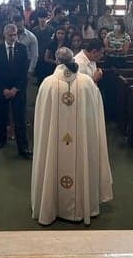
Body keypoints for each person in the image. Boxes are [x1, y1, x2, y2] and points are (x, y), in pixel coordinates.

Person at [31, 47, 113, 226]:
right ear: (72, 60)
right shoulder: (87, 83)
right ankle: (83, 206)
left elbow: (41, 122)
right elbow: (96, 116)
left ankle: (51, 206)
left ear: (56, 61)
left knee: (51, 155)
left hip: (55, 146)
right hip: (80, 144)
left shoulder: (47, 84)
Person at [0, 24, 32, 159]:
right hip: (1, 88)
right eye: (10, 35)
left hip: (18, 89)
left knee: (19, 118)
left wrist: (15, 89)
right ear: (4, 35)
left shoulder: (22, 49)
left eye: (15, 35)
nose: (13, 37)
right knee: (1, 115)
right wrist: (3, 89)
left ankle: (23, 147)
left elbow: (24, 72)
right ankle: (1, 139)